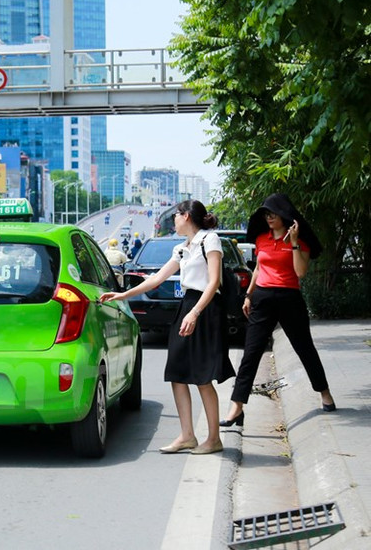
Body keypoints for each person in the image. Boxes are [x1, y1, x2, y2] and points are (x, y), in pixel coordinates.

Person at [101, 199, 235, 455]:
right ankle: (187, 435)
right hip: (187, 306)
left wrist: (195, 313)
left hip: (205, 309)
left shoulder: (210, 240)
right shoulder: (182, 248)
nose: (173, 220)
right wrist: (121, 295)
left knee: (203, 377)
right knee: (177, 371)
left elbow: (214, 280)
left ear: (186, 217)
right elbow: (156, 280)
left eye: (176, 215)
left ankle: (214, 439)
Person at [221, 194, 335, 426]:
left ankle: (325, 393)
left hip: (289, 298)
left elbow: (300, 272)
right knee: (250, 353)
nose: (269, 218)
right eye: (266, 214)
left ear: (285, 216)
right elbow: (259, 269)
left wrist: (292, 242)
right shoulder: (262, 240)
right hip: (263, 298)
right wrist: (249, 295)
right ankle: (237, 406)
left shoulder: (299, 241)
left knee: (305, 349)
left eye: (273, 214)